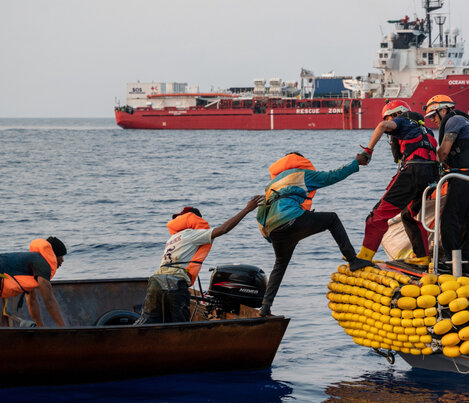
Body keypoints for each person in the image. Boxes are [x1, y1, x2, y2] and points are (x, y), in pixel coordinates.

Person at [257, 152, 375, 317]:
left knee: (280, 265)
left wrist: (272, 236)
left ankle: (265, 307)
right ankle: (353, 260)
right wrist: (355, 163)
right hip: (292, 218)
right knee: (332, 219)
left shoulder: (272, 185)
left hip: (274, 230)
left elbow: (260, 216)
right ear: (300, 161)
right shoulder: (301, 174)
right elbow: (332, 177)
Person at [137, 197, 262, 324]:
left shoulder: (173, 238)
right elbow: (223, 229)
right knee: (180, 326)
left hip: (155, 281)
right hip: (174, 283)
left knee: (150, 322)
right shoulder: (192, 234)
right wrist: (247, 209)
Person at [356, 100, 438, 267]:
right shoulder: (426, 129)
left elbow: (382, 126)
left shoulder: (401, 119)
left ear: (394, 114)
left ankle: (364, 258)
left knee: (376, 216)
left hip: (413, 172)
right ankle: (422, 257)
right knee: (409, 215)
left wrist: (368, 151)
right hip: (431, 177)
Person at [424, 94, 469, 276]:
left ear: (443, 110)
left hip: (463, 177)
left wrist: (432, 165)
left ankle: (450, 262)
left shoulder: (453, 121)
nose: (433, 121)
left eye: (434, 115)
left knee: (450, 219)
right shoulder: (466, 124)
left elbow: (444, 152)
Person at [0, 237, 67, 327]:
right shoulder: (43, 265)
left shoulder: (33, 262)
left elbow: (32, 301)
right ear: (53, 255)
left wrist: (40, 327)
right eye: (61, 256)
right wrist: (64, 329)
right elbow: (49, 301)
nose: (62, 260)